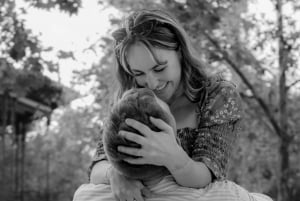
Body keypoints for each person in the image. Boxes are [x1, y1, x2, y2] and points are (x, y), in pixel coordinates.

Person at [81, 9, 273, 201]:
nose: (152, 83)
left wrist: (172, 156)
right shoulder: (129, 97)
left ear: (180, 51)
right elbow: (99, 164)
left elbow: (207, 175)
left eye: (159, 68)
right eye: (138, 73)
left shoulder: (217, 96)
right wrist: (115, 174)